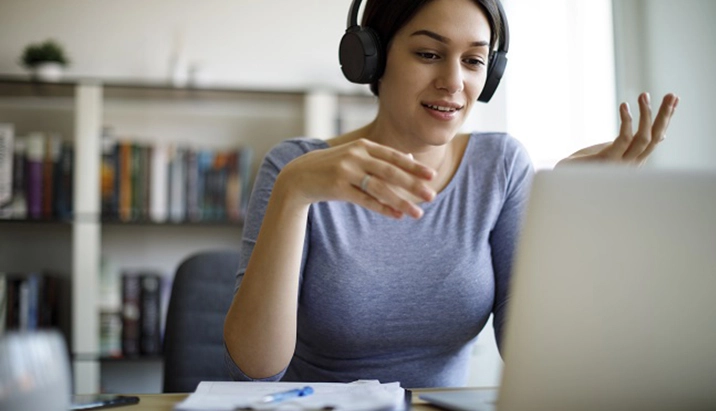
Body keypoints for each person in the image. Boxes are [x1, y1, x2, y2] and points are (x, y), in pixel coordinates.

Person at [223, 0, 680, 388]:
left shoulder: (499, 167)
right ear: (372, 57)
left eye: (474, 60)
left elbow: (535, 356)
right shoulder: (294, 169)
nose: (454, 82)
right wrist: (294, 193)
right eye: (428, 53)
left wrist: (564, 218)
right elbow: (258, 365)